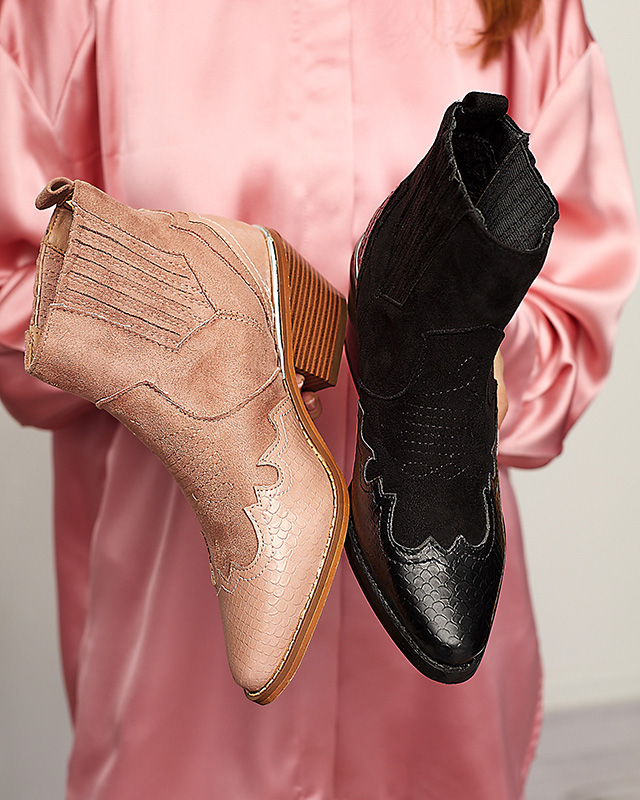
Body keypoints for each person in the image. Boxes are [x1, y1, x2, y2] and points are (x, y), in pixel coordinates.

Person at [0, 1, 637, 798]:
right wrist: (180, 341)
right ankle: (226, 306)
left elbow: (576, 318)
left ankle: (418, 328)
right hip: (172, 665)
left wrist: (464, 357)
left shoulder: (529, 12)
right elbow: (14, 292)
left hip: (436, 724)